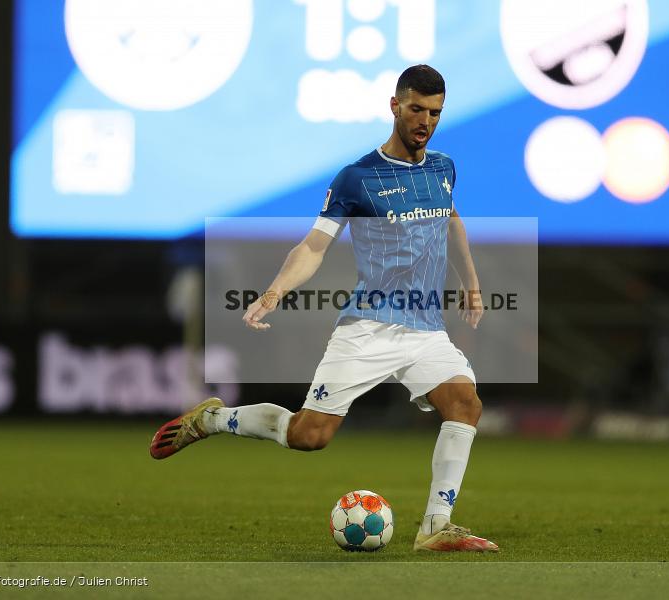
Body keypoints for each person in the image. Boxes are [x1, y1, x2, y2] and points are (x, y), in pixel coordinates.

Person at [150, 65, 497, 552]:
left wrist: (471, 282)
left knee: (465, 404)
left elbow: (452, 219)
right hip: (370, 326)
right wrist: (274, 292)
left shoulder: (443, 167)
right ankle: (212, 419)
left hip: (425, 328)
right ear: (394, 106)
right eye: (416, 108)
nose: (425, 120)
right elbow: (315, 246)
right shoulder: (357, 178)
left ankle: (436, 527)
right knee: (309, 435)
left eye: (435, 112)